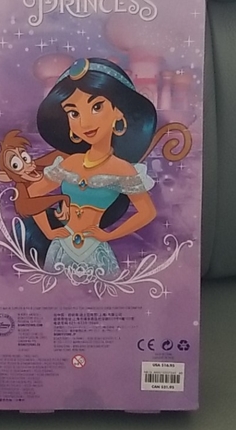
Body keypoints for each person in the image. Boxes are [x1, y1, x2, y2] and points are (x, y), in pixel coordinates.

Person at [28, 57, 157, 276]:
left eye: (96, 107)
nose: (85, 122)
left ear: (118, 112)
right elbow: (33, 193)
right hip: (61, 248)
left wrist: (109, 235)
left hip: (94, 251)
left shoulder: (123, 169)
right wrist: (48, 231)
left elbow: (147, 212)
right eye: (74, 113)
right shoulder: (70, 163)